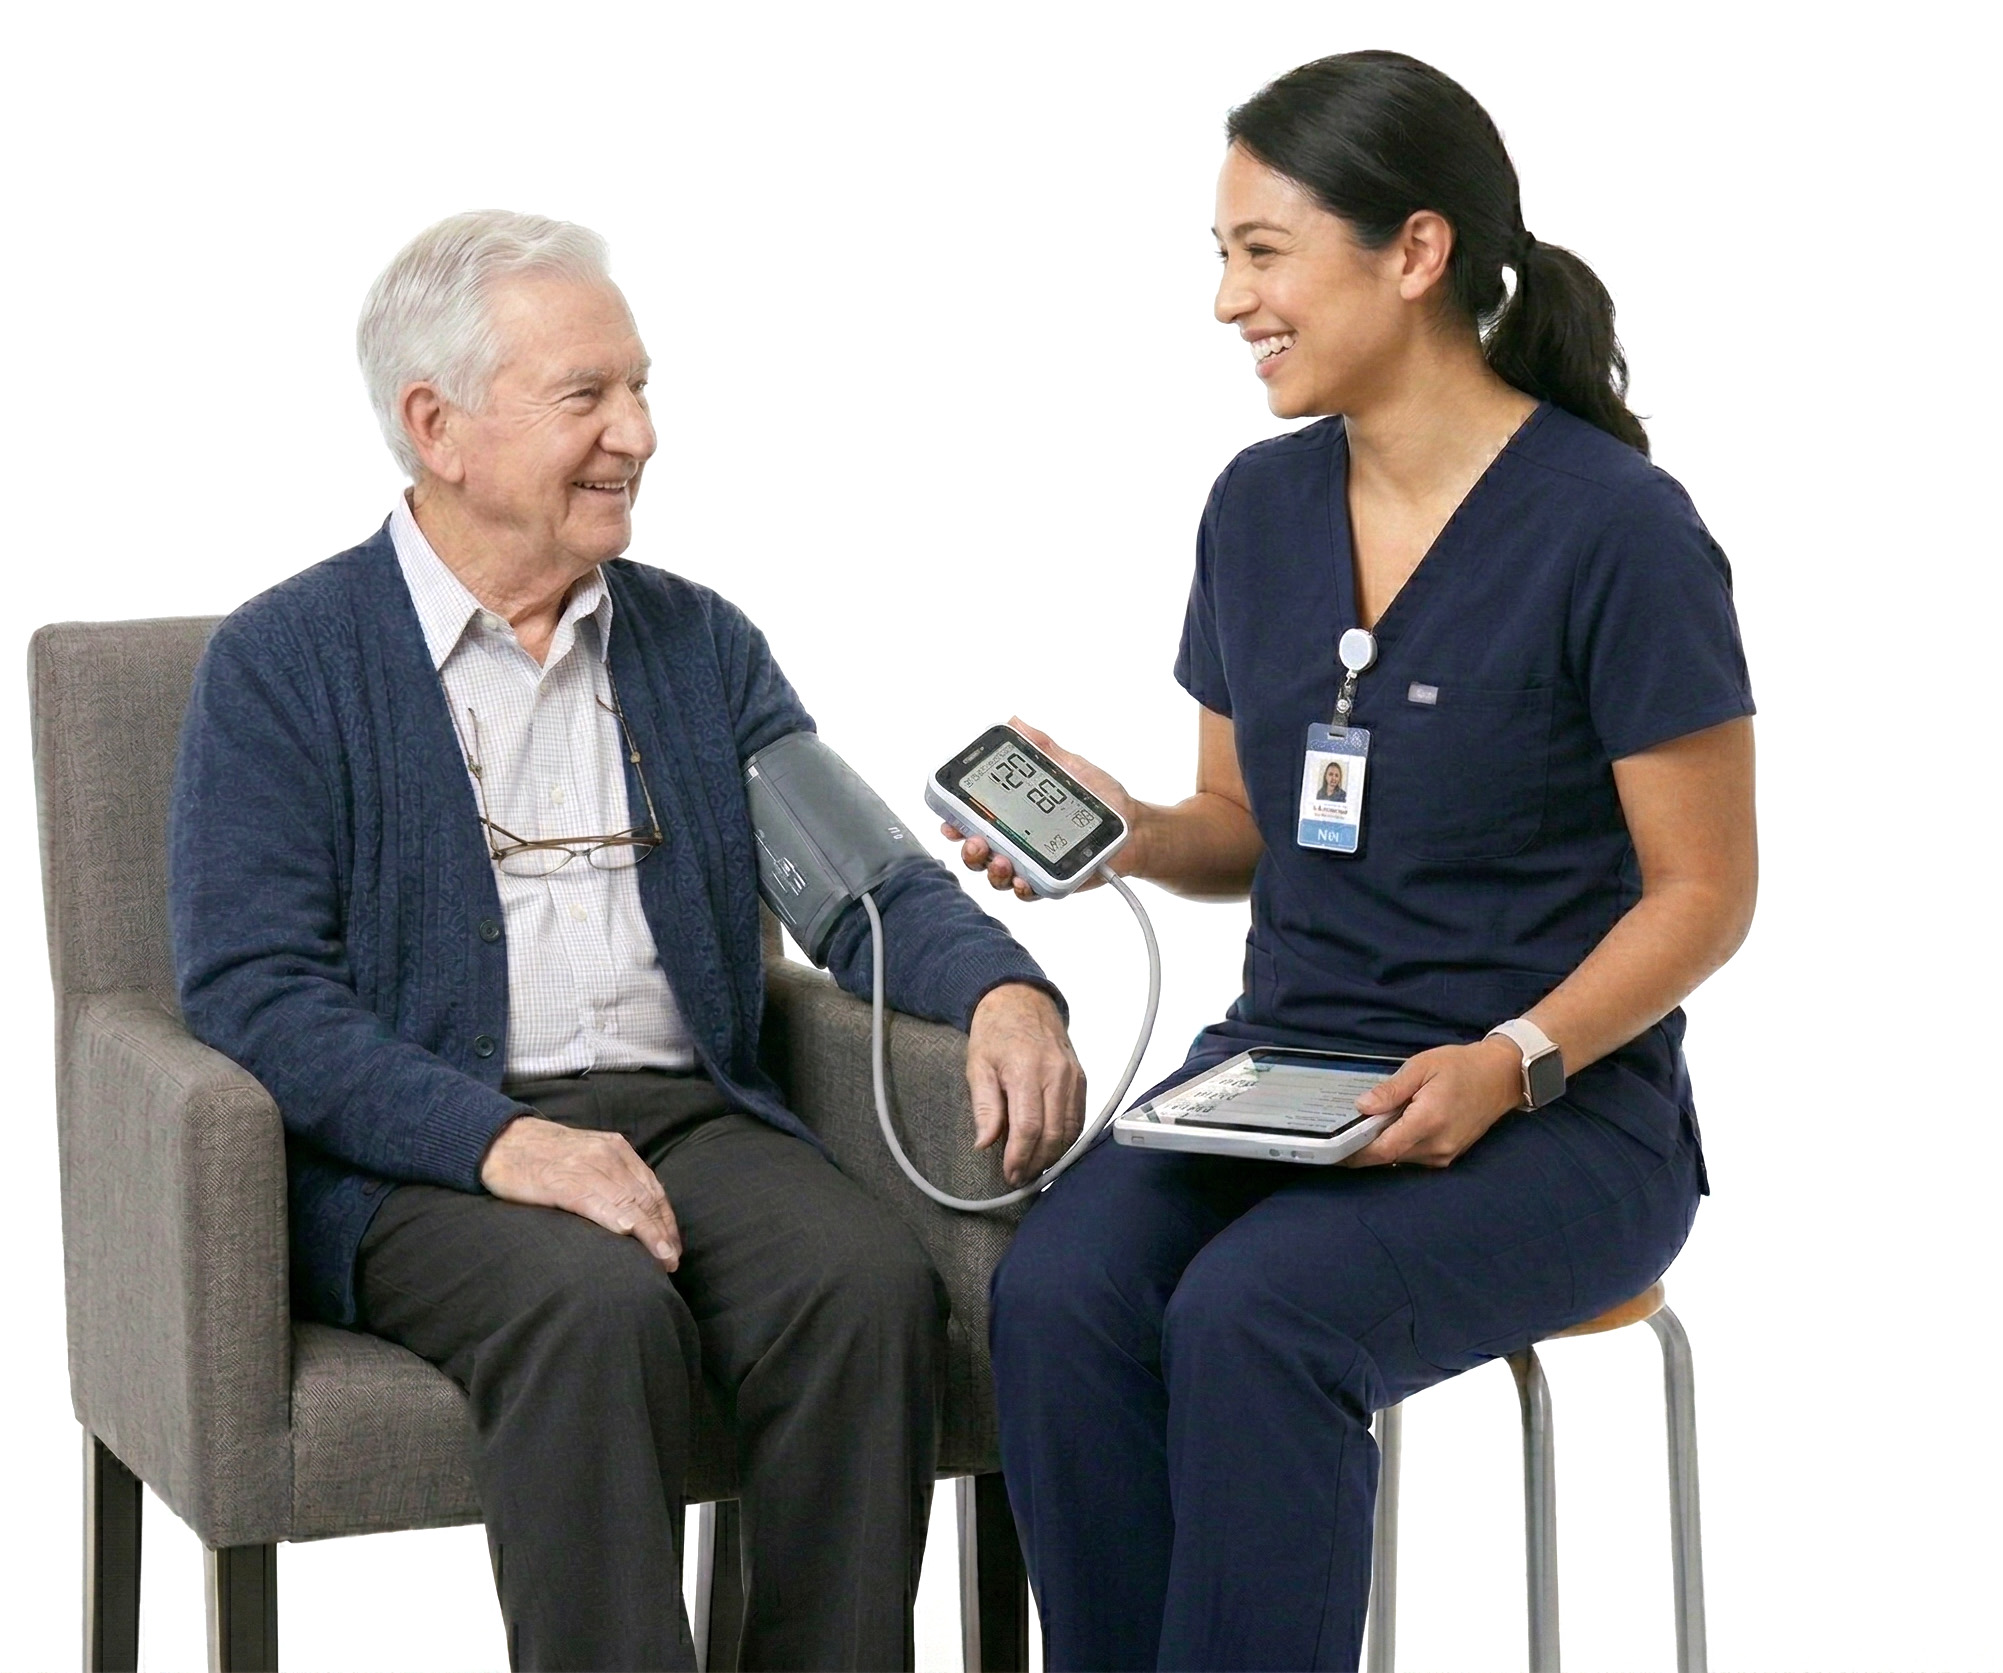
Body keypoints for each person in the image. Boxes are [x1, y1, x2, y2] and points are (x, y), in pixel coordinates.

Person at [170, 210, 1085, 1673]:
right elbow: (253, 992)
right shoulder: (285, 663)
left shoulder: (695, 645)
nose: (639, 434)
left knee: (864, 1289)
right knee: (594, 1313)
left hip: (686, 1114)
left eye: (641, 388)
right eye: (586, 395)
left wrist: (1000, 987)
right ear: (437, 425)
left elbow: (862, 884)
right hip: (426, 1156)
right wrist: (502, 1143)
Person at [949, 51, 1756, 1671]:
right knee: (1058, 1294)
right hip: (1282, 1080)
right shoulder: (1253, 507)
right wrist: (1123, 834)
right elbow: (1243, 823)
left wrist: (1510, 1060)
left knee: (1254, 1318)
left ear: (1414, 250)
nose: (1228, 300)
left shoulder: (1616, 529)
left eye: (1262, 252)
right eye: (1219, 255)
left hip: (1561, 1110)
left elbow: (1703, 893)